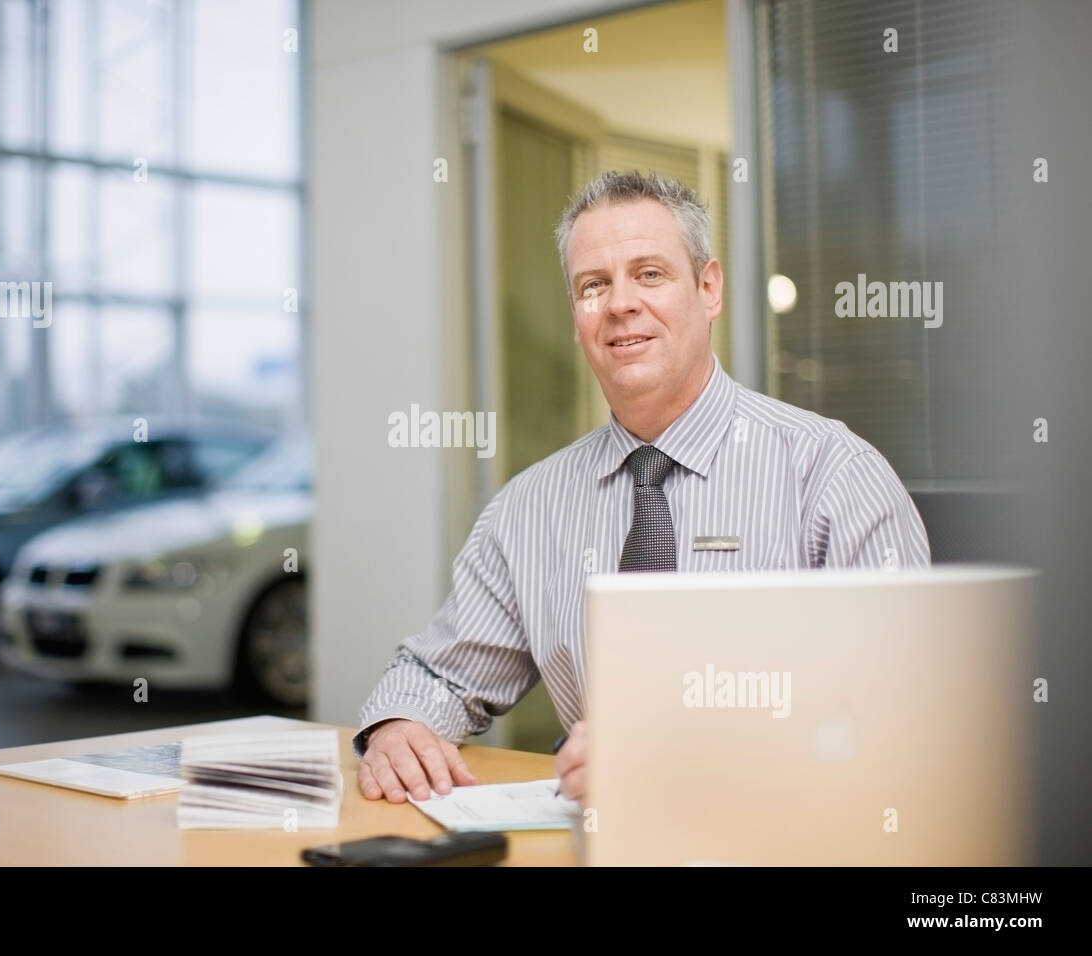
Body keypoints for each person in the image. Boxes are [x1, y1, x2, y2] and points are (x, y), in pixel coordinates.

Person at [353, 169, 931, 804]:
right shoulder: (530, 508)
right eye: (593, 286)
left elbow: (910, 711)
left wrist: (692, 756)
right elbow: (440, 672)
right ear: (577, 318)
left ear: (708, 289)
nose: (621, 303)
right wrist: (399, 726)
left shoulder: (832, 475)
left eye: (650, 274)